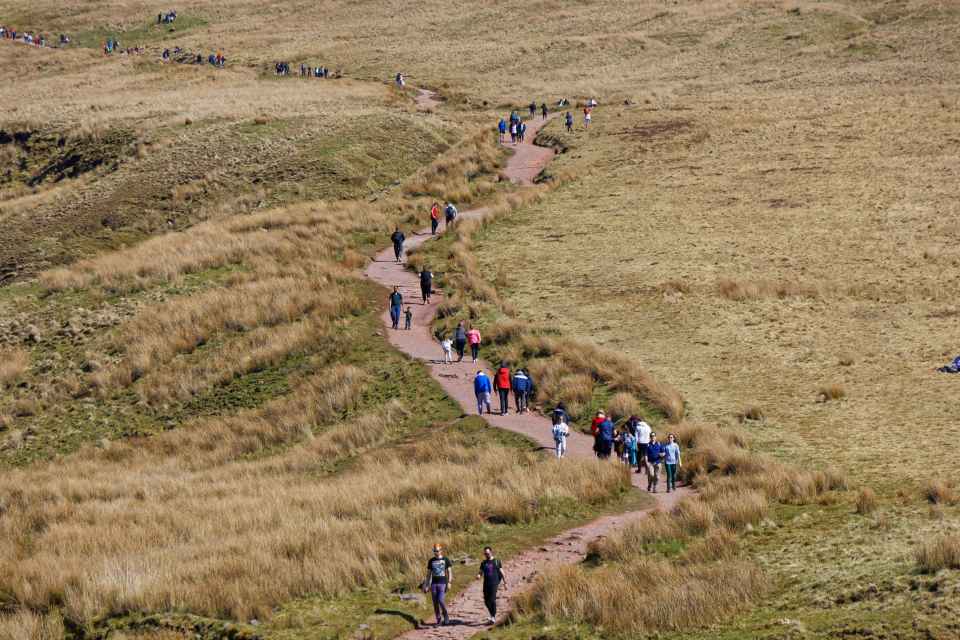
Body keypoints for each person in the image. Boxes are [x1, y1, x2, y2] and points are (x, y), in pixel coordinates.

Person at [424, 544, 453, 626]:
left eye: (437, 551)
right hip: (434, 584)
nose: (436, 552)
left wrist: (449, 582)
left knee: (441, 600)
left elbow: (449, 572)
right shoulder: (431, 561)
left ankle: (445, 615)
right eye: (434, 551)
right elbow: (428, 574)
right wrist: (426, 585)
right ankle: (438, 620)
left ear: (441, 550)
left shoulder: (446, 559)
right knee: (435, 603)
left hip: (442, 583)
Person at [477, 546, 506, 624]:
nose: (486, 555)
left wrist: (505, 582)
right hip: (486, 584)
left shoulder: (496, 561)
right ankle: (491, 614)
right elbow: (480, 571)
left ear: (491, 552)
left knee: (492, 599)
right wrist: (479, 575)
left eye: (488, 553)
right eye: (485, 554)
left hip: (494, 583)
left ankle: (493, 616)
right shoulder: (483, 563)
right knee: (486, 601)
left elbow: (502, 572)